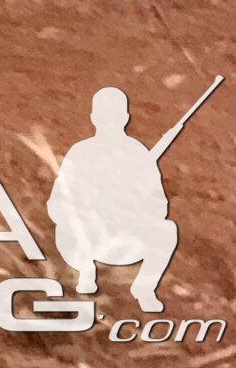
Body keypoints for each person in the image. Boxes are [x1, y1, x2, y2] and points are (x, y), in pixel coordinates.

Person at [49, 85, 181, 311]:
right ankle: (82, 278)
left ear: (125, 118)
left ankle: (144, 289)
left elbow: (159, 205)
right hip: (81, 237)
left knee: (166, 231)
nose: (110, 122)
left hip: (120, 234)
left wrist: (134, 203)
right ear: (94, 118)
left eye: (115, 116)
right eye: (104, 116)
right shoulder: (81, 152)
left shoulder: (138, 154)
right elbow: (57, 204)